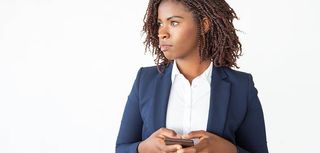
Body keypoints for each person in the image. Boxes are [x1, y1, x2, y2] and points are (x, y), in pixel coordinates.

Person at [116, 0, 268, 152]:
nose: (162, 33)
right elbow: (121, 148)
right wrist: (144, 148)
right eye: (160, 23)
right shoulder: (145, 81)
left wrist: (228, 149)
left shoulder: (241, 86)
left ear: (204, 25)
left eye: (174, 23)